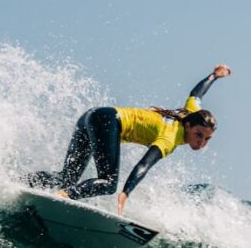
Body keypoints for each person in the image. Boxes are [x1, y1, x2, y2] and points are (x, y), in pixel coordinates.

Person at [25, 64, 232, 215]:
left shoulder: (192, 112)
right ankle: (61, 197)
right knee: (107, 183)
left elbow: (197, 94)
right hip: (108, 122)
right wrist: (126, 192)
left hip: (93, 116)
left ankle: (22, 182)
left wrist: (214, 75)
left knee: (67, 179)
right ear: (188, 126)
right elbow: (144, 164)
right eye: (199, 135)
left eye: (207, 139)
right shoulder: (171, 137)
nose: (201, 143)